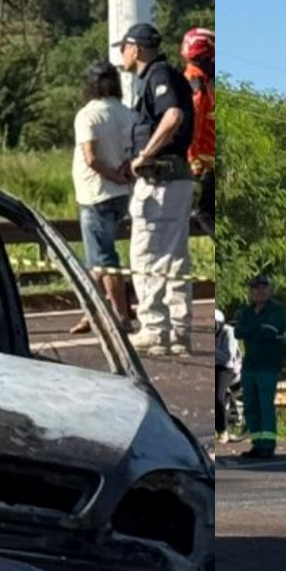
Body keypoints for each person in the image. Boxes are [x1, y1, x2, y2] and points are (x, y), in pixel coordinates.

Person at [118, 21, 198, 356]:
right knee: (174, 256)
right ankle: (179, 331)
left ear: (135, 48)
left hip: (160, 181)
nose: (122, 55)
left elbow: (173, 116)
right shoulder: (165, 76)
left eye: (123, 48)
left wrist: (145, 155)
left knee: (146, 254)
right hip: (176, 179)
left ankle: (154, 328)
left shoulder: (159, 76)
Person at [71, 60, 137, 333]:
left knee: (103, 258)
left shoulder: (88, 115)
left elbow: (90, 157)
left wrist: (111, 175)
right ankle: (91, 311)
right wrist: (124, 175)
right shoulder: (128, 113)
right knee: (96, 257)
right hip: (122, 192)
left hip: (95, 192)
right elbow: (135, 150)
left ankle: (121, 315)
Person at [234, 274, 286, 459]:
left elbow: (271, 330)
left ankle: (268, 445)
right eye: (256, 288)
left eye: (264, 288)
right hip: (250, 367)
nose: (260, 291)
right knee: (250, 407)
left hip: (268, 366)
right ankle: (256, 444)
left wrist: (252, 330)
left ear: (269, 290)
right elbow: (238, 332)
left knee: (265, 406)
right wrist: (257, 328)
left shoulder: (276, 310)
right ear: (251, 292)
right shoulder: (247, 312)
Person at [182, 27, 216, 235]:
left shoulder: (204, 83)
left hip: (207, 162)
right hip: (202, 163)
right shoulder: (196, 84)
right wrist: (193, 162)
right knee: (205, 213)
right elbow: (193, 125)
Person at [213, 308, 242, 440]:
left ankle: (223, 430)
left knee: (218, 397)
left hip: (227, 368)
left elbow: (227, 357)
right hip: (213, 365)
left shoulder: (229, 332)